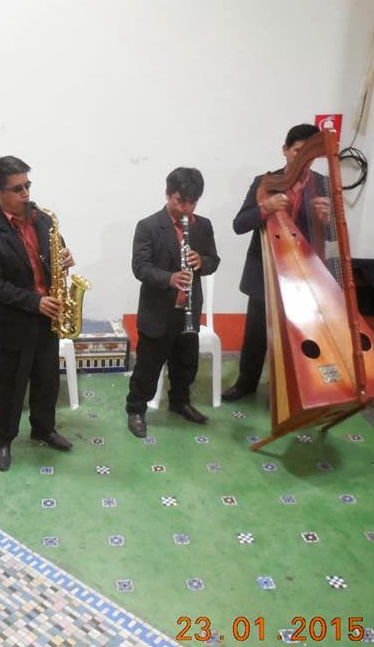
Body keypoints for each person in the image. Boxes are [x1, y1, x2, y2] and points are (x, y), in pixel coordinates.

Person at [0, 155, 75, 471]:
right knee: (11, 386)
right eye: (17, 189)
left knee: (47, 380)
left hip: (48, 318)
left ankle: (44, 429)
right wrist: (35, 302)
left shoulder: (43, 219)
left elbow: (55, 252)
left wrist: (64, 258)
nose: (26, 194)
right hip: (15, 323)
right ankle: (3, 439)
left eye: (27, 185)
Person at [222, 123, 324, 402]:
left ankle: (294, 390)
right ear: (285, 150)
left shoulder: (322, 184)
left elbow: (330, 236)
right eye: (298, 151)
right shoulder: (264, 182)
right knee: (255, 335)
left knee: (298, 336)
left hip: (303, 275)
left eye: (310, 153)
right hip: (265, 271)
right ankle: (246, 383)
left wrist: (325, 220)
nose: (304, 158)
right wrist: (264, 208)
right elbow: (239, 224)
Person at [126, 167, 220, 437]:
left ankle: (180, 402)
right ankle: (136, 409)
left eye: (192, 202)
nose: (186, 208)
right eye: (181, 201)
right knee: (148, 366)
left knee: (186, 363)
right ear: (168, 194)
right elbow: (140, 267)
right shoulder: (148, 226)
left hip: (188, 311)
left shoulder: (203, 226)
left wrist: (202, 262)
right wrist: (170, 278)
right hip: (158, 312)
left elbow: (213, 260)